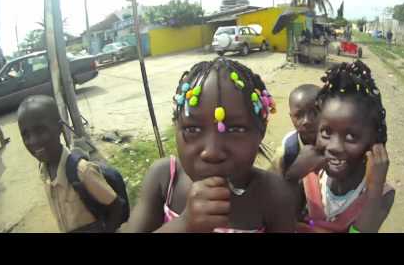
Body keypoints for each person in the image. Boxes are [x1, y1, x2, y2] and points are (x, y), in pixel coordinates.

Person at [125, 57, 296, 233]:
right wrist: (184, 224)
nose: (212, 152)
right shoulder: (165, 179)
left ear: (261, 132)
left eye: (235, 129)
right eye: (192, 129)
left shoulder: (274, 194)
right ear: (176, 127)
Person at [284, 60, 395, 233]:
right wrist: (291, 177)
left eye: (351, 136)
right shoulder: (309, 175)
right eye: (326, 132)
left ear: (374, 142)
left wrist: (374, 190)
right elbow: (279, 220)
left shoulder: (381, 193)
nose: (334, 147)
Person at [17, 95, 125, 233]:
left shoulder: (82, 171)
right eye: (26, 135)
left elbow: (116, 206)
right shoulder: (44, 170)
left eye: (40, 131)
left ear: (60, 128)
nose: (33, 141)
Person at [271, 84, 320, 176]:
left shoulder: (338, 147)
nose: (307, 121)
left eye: (314, 113)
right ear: (291, 117)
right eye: (299, 115)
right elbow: (275, 184)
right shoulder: (285, 153)